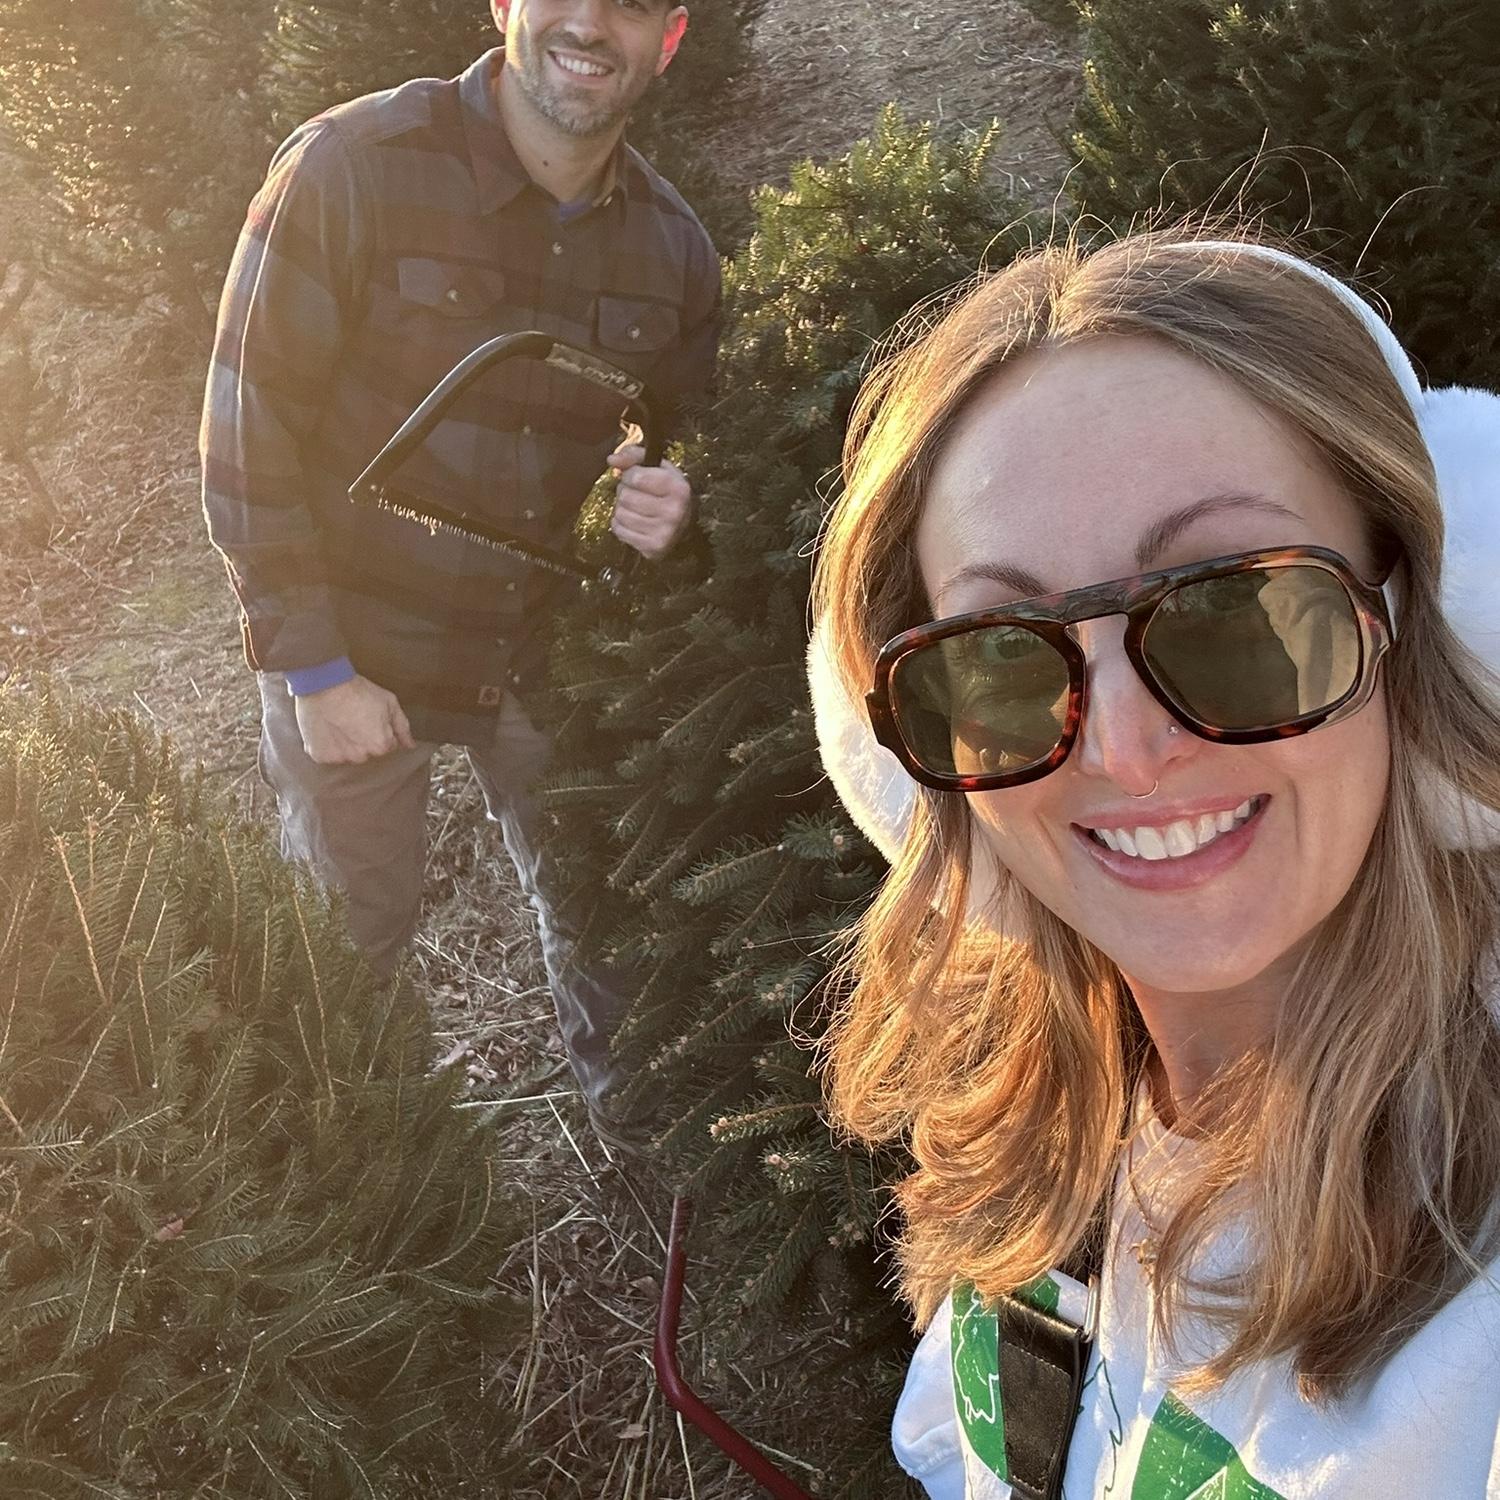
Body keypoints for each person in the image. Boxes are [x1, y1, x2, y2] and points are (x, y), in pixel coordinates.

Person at [806, 229, 1500, 1498]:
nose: (1124, 752)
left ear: (1417, 627)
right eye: (1001, 655)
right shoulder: (1048, 1136)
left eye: (1236, 608)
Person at [200, 0, 721, 1152]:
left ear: (671, 38)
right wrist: (316, 669)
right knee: (346, 945)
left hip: (534, 649)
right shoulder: (351, 167)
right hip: (354, 641)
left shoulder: (674, 251)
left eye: (633, 5)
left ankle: (638, 1148)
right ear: (504, 5)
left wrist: (670, 504)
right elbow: (246, 428)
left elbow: (677, 442)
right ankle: (368, 1181)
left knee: (601, 914)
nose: (592, 25)